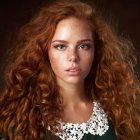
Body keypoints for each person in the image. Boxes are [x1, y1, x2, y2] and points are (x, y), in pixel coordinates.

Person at [0, 0, 139, 140]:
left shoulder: (118, 111)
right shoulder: (21, 118)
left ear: (97, 51)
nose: (73, 57)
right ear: (44, 51)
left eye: (84, 46)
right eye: (61, 46)